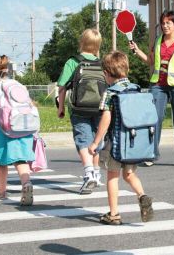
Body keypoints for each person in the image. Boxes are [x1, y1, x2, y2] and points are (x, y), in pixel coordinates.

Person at [129, 10, 174, 167]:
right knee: (154, 119)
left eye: (168, 22)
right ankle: (151, 155)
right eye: (163, 23)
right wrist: (137, 50)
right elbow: (150, 61)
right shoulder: (157, 41)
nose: (165, 25)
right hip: (158, 85)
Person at [87, 51, 154, 225]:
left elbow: (106, 119)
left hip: (115, 144)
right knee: (130, 174)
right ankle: (142, 195)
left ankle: (114, 214)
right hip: (133, 142)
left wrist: (95, 142)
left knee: (112, 176)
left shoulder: (110, 93)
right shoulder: (136, 89)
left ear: (107, 73)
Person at [0, 55, 34, 206]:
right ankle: (26, 183)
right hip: (22, 127)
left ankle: (1, 191)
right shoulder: (17, 84)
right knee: (20, 159)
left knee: (1, 161)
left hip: (2, 128)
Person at [56, 28, 104, 194]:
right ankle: (97, 173)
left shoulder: (73, 61)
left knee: (82, 139)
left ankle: (89, 172)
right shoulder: (102, 63)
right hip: (100, 108)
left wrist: (61, 108)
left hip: (79, 108)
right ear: (98, 45)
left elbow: (62, 87)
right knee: (96, 140)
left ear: (81, 42)